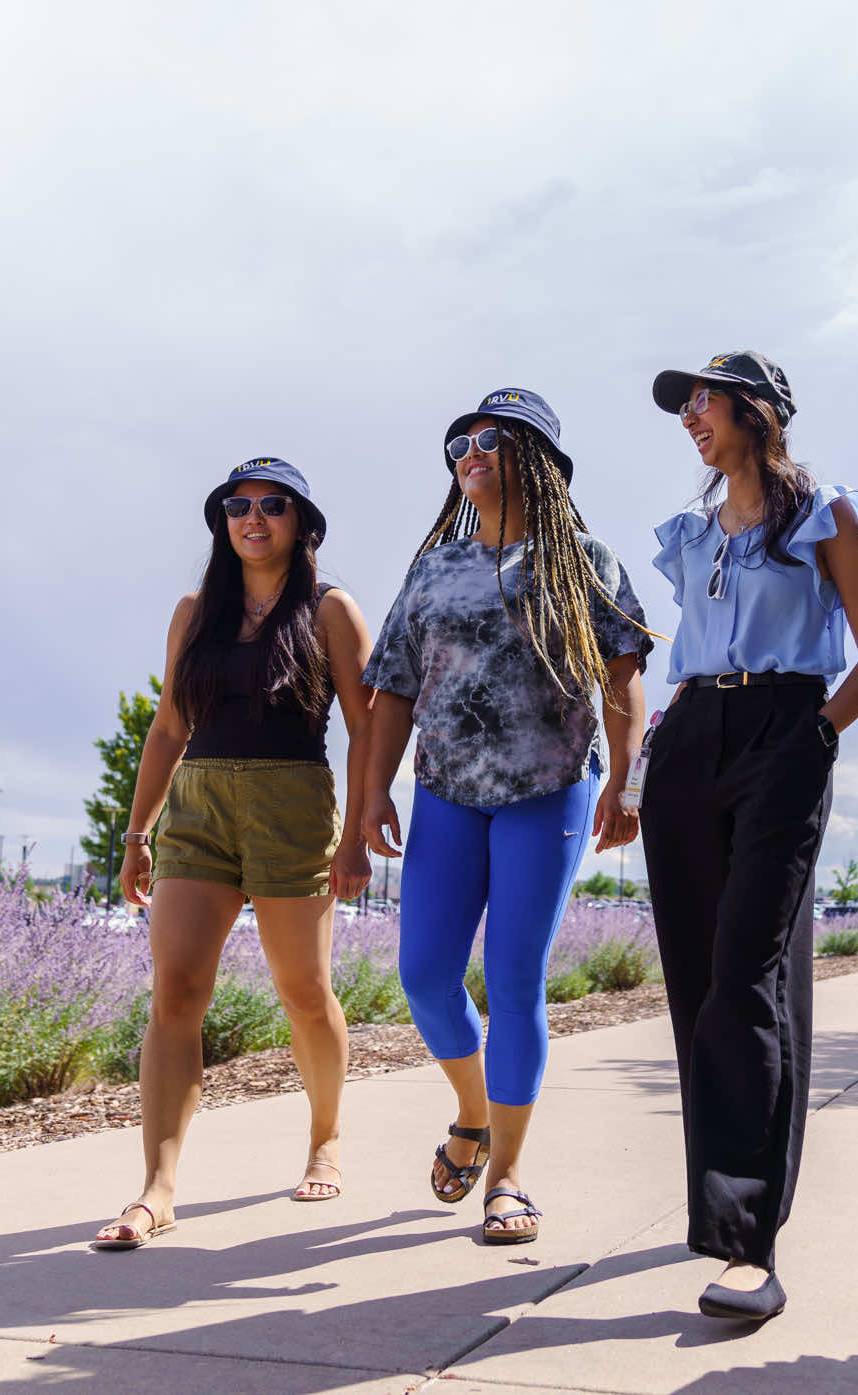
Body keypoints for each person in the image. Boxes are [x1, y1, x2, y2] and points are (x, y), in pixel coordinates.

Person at [639, 351, 858, 1322]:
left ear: (756, 409)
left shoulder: (825, 516)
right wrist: (643, 766)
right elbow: (689, 665)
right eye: (684, 408)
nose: (690, 418)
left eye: (701, 400)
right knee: (699, 987)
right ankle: (719, 1199)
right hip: (689, 744)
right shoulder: (694, 536)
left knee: (748, 975)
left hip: (785, 733)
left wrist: (813, 737)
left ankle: (749, 1245)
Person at [361, 388, 650, 1245]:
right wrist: (373, 790)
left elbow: (623, 675)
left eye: (491, 438)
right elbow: (394, 685)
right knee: (424, 976)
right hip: (447, 791)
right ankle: (474, 1109)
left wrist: (626, 781)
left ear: (538, 460)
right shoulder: (434, 567)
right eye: (459, 440)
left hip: (547, 789)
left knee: (516, 982)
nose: (469, 451)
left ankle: (509, 1173)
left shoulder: (582, 559)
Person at [93, 459, 374, 1249]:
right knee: (176, 991)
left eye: (272, 505)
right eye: (237, 506)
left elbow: (367, 725)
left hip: (293, 803)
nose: (254, 518)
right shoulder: (196, 611)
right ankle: (157, 1187)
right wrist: (138, 831)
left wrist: (355, 832)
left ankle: (325, 1137)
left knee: (304, 990)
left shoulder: (329, 608)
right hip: (199, 807)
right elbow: (169, 729)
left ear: (301, 523)